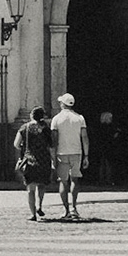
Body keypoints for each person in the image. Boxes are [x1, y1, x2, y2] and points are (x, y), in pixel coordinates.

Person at [49, 92, 89, 220]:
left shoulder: (56, 119)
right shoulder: (80, 118)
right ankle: (74, 208)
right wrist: (86, 155)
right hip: (76, 152)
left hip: (61, 152)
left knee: (63, 181)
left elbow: (54, 140)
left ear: (62, 104)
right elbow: (84, 137)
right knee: (75, 180)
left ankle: (66, 209)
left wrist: (53, 156)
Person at [14, 105, 54, 222]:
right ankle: (40, 206)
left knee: (30, 189)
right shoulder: (46, 128)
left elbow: (16, 144)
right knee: (41, 185)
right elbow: (51, 145)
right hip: (44, 160)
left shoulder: (24, 128)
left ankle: (33, 214)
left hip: (30, 160)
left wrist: (25, 148)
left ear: (31, 115)